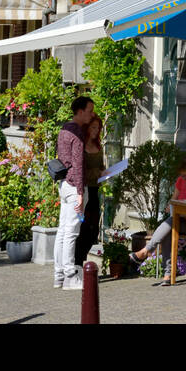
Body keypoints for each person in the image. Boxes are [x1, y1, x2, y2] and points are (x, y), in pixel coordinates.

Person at [131, 156, 186, 284]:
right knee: (169, 229)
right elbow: (173, 200)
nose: (184, 178)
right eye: (182, 175)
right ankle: (167, 274)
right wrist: (170, 207)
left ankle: (148, 253)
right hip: (179, 220)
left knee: (169, 225)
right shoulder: (180, 181)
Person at [53, 95, 95, 290]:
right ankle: (70, 276)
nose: (92, 115)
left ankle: (59, 274)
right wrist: (80, 192)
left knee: (62, 230)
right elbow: (77, 163)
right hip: (74, 186)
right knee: (72, 231)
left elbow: (63, 158)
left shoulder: (64, 128)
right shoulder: (77, 132)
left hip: (64, 185)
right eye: (89, 111)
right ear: (80, 111)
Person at [73, 115, 105, 271]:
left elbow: (101, 166)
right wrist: (96, 173)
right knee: (83, 227)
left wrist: (104, 173)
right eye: (93, 127)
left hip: (95, 190)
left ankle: (80, 261)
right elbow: (80, 171)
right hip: (83, 190)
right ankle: (77, 264)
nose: (96, 130)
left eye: (98, 127)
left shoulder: (98, 145)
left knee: (94, 230)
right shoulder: (81, 146)